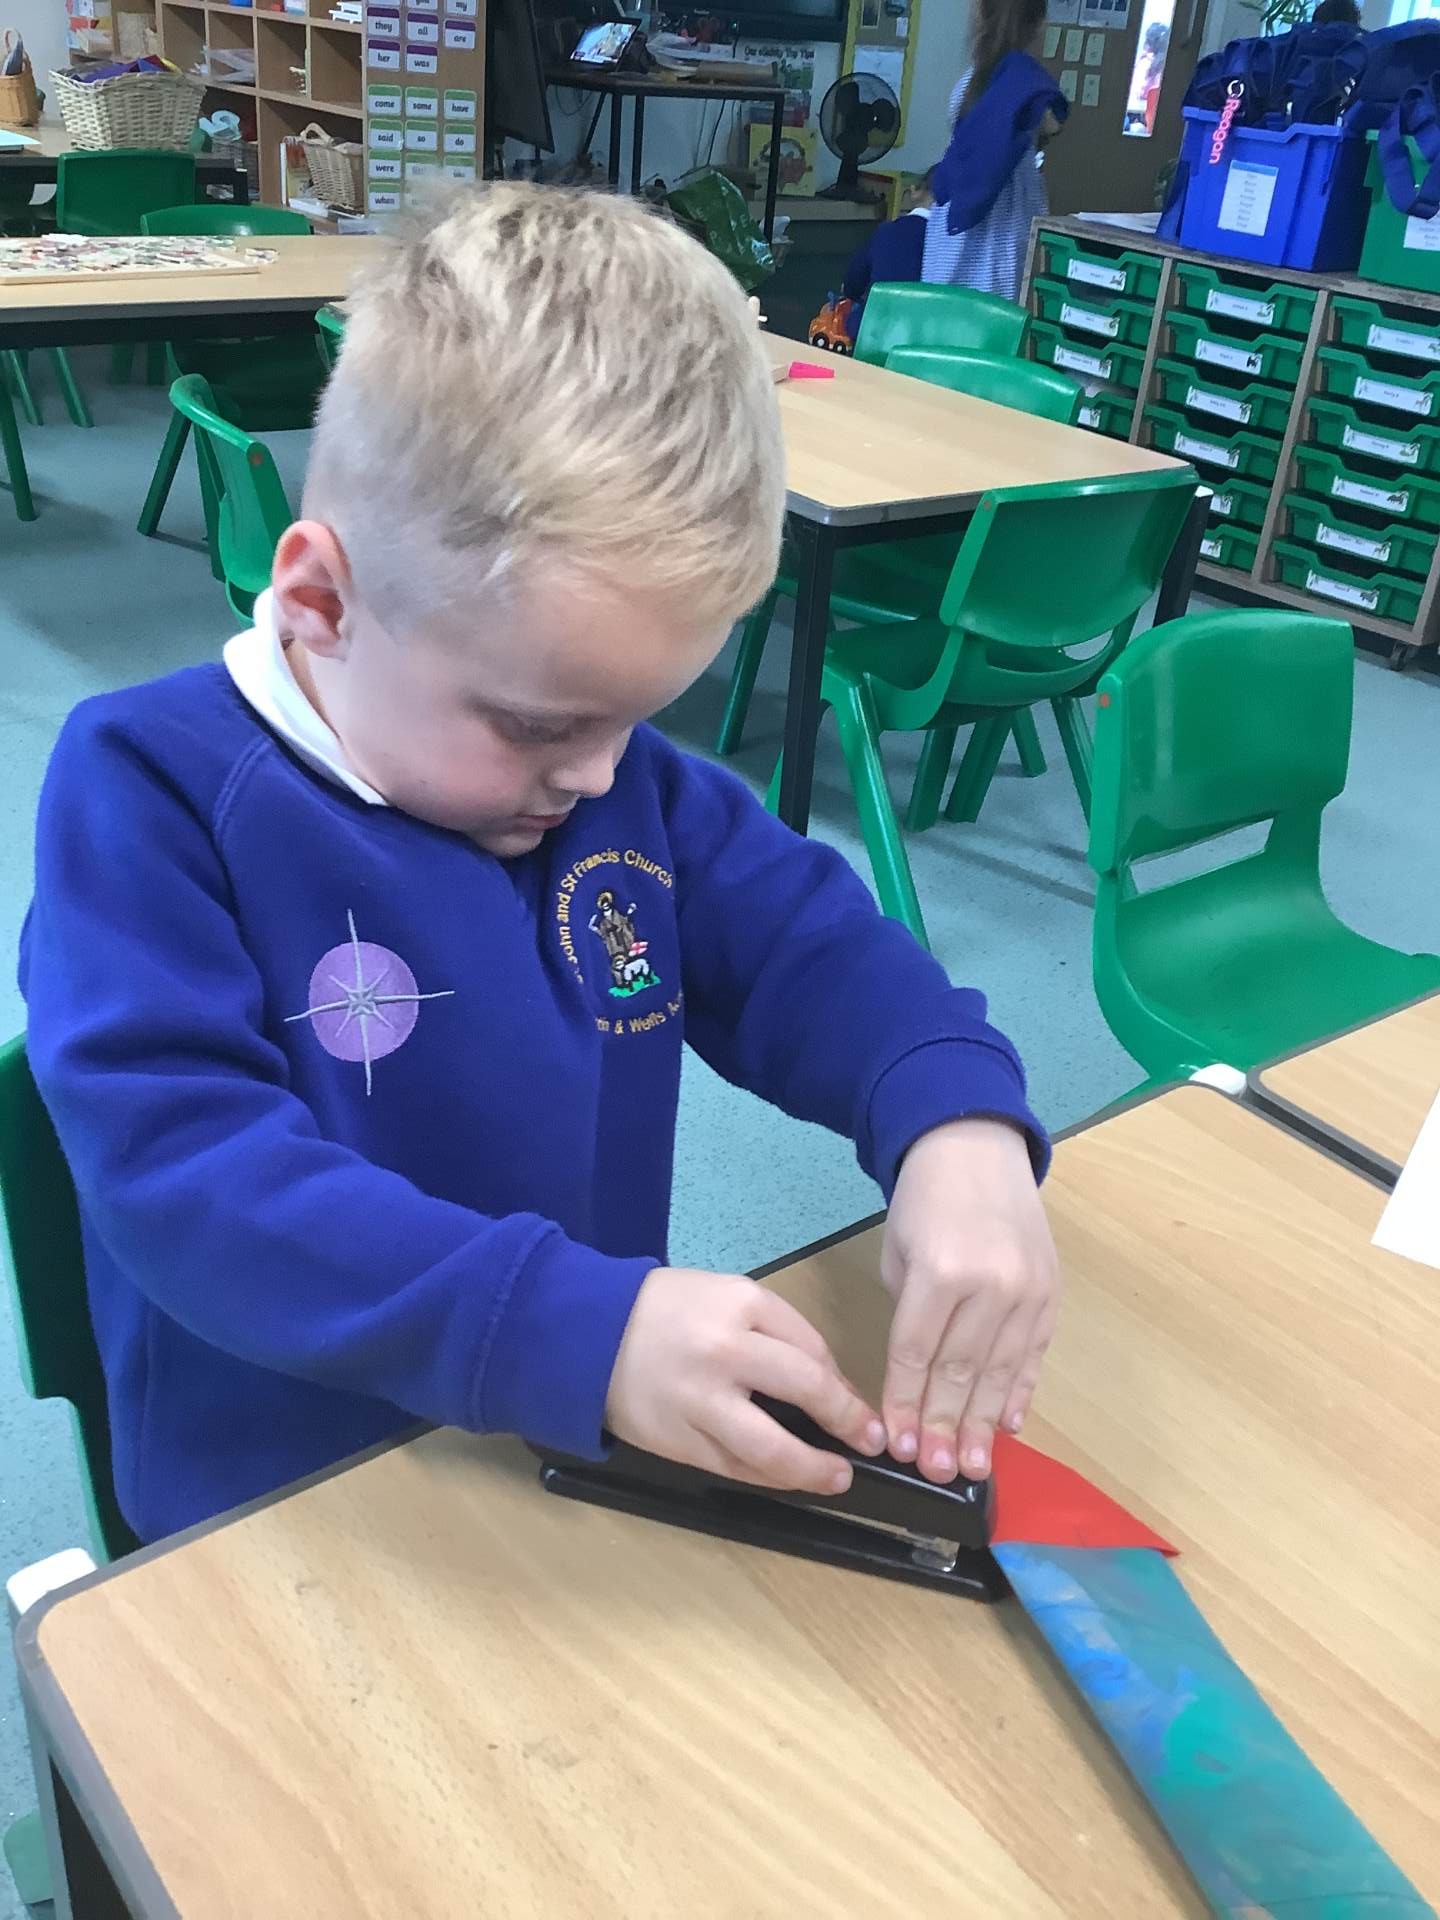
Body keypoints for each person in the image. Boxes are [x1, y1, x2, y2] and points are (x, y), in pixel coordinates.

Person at [20, 185, 1059, 1545]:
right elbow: (190, 1182)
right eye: (538, 724)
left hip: (569, 1428)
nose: (601, 777)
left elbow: (814, 954)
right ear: (322, 602)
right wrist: (577, 1325)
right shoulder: (147, 791)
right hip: (283, 1505)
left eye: (637, 717)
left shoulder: (611, 777)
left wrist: (955, 1126)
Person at [923, 0, 1067, 304]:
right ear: (1040, 24)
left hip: (954, 227)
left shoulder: (969, 83)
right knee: (997, 313)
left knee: (944, 310)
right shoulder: (1026, 83)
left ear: (979, 15)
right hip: (1006, 228)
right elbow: (1052, 123)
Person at [839, 169, 935, 335]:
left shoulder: (886, 231)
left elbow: (852, 283)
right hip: (923, 333)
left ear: (914, 191)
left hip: (874, 330)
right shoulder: (950, 243)